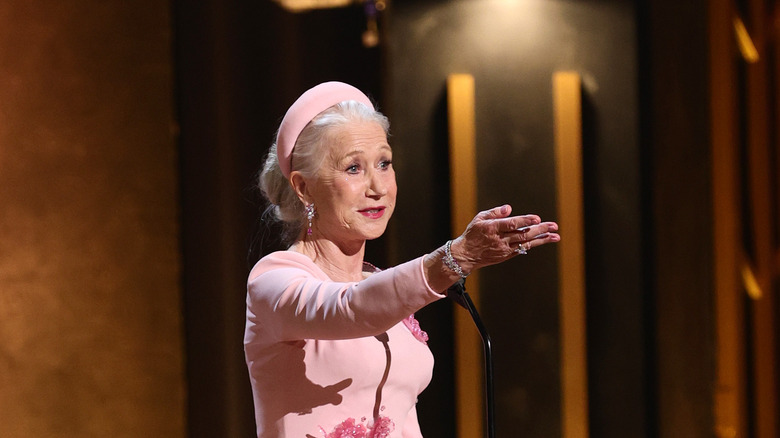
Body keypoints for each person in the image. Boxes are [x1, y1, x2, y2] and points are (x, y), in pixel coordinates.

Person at [244, 81, 560, 438]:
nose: (377, 187)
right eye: (353, 168)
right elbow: (350, 310)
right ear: (303, 187)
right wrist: (452, 259)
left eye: (384, 163)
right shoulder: (274, 281)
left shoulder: (381, 283)